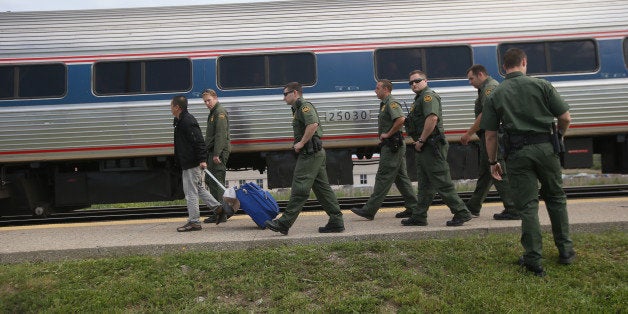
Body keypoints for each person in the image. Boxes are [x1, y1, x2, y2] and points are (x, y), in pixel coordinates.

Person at [481, 48, 575, 276]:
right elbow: (565, 117)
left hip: (517, 153)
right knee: (555, 198)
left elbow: (491, 134)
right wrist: (559, 136)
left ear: (504, 67)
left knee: (528, 205)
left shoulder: (496, 94)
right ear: (524, 62)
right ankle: (565, 251)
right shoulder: (542, 85)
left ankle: (534, 259)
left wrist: (493, 161)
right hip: (546, 148)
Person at [264, 82, 345, 235]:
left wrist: (301, 143)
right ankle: (336, 221)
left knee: (300, 187)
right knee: (322, 190)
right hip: (314, 154)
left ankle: (284, 223)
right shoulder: (297, 109)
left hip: (310, 154)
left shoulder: (304, 106)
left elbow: (313, 124)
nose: (283, 98)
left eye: (285, 94)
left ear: (295, 93)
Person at [402, 70, 473, 227]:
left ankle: (461, 212)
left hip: (431, 145)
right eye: (411, 82)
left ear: (426, 81)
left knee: (441, 181)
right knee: (425, 184)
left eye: (417, 80)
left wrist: (421, 140)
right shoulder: (419, 99)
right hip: (425, 146)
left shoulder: (428, 97)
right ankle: (419, 216)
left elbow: (432, 118)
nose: (414, 84)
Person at [350, 79, 418, 220]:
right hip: (393, 146)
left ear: (386, 89)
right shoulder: (384, 104)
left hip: (393, 146)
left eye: (378, 88)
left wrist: (388, 133)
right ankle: (414, 208)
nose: (376, 90)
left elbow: (400, 119)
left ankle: (369, 210)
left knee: (383, 177)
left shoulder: (391, 103)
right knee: (401, 179)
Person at [460, 64, 519, 220]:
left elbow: (486, 113)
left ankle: (513, 208)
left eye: (471, 78)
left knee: (497, 170)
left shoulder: (489, 88)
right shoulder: (485, 88)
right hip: (488, 135)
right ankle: (473, 206)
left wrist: (468, 133)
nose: (470, 82)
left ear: (481, 74)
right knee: (486, 172)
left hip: (494, 135)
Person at [170, 95, 224, 232]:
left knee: (191, 192)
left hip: (191, 162)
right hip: (188, 162)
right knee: (198, 188)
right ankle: (219, 209)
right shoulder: (180, 121)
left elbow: (199, 141)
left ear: (177, 107)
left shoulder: (187, 121)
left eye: (171, 106)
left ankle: (194, 222)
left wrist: (202, 159)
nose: (170, 108)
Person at [200, 89, 233, 224]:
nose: (207, 103)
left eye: (209, 100)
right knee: (209, 180)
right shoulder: (213, 112)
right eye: (205, 101)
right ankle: (218, 211)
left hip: (217, 153)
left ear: (215, 98)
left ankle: (221, 214)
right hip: (212, 151)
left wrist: (217, 154)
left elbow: (221, 135)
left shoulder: (219, 112)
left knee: (217, 182)